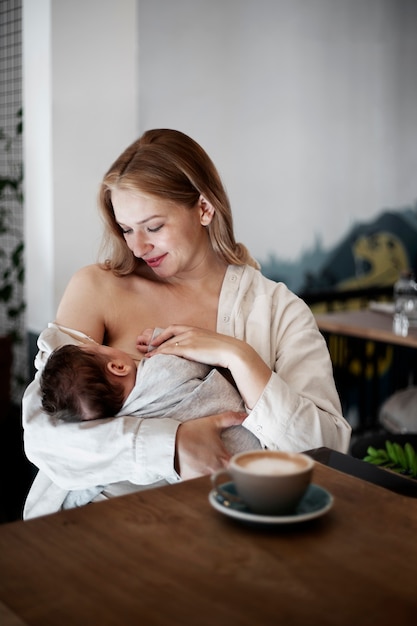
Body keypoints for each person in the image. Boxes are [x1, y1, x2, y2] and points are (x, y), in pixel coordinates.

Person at [22, 128, 351, 519]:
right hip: (92, 525)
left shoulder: (278, 310)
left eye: (153, 227)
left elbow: (325, 451)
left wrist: (238, 355)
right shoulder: (97, 288)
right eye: (126, 229)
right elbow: (43, 435)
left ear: (204, 208)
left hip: (219, 527)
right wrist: (172, 445)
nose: (137, 247)